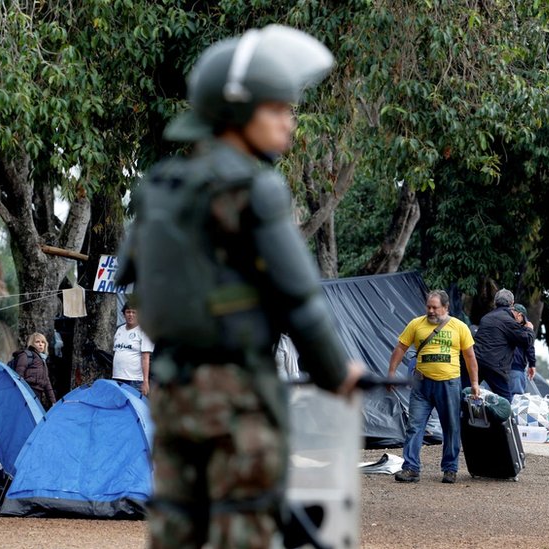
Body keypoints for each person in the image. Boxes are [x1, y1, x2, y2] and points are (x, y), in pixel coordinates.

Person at [114, 25, 365, 548]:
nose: (290, 123)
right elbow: (300, 300)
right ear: (237, 112)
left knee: (176, 530)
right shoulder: (254, 186)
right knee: (244, 531)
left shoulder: (159, 187)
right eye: (278, 109)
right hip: (237, 398)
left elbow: (134, 283)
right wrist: (336, 372)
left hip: (175, 394)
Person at [387, 289, 480, 485]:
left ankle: (450, 469)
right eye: (428, 307)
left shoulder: (459, 327)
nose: (430, 311)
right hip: (422, 385)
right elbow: (401, 348)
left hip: (449, 384)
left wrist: (474, 384)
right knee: (414, 426)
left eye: (435, 307)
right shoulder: (416, 324)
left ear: (445, 308)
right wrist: (391, 374)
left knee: (451, 427)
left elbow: (470, 356)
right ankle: (411, 468)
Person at [464, 289, 534, 402]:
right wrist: (529, 329)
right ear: (512, 304)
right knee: (505, 401)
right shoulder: (508, 321)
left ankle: (464, 417)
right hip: (495, 367)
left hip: (477, 363)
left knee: (467, 394)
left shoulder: (486, 317)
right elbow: (527, 340)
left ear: (495, 302)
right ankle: (499, 420)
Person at [112, 302, 154, 396]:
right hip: (117, 377)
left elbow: (145, 358)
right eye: (128, 312)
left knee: (133, 407)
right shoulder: (119, 330)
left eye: (134, 312)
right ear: (124, 314)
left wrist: (145, 382)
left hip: (134, 380)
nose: (131, 315)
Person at [11, 332, 57, 409]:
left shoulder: (42, 360)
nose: (40, 344)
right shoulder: (26, 355)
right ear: (31, 343)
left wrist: (53, 402)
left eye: (43, 342)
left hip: (38, 395)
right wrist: (23, 394)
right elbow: (19, 376)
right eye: (37, 342)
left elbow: (47, 382)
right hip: (27, 393)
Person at [508, 304, 536, 396]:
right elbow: (529, 347)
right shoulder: (524, 330)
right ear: (520, 315)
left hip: (501, 369)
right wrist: (532, 364)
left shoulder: (504, 326)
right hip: (516, 368)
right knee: (516, 400)